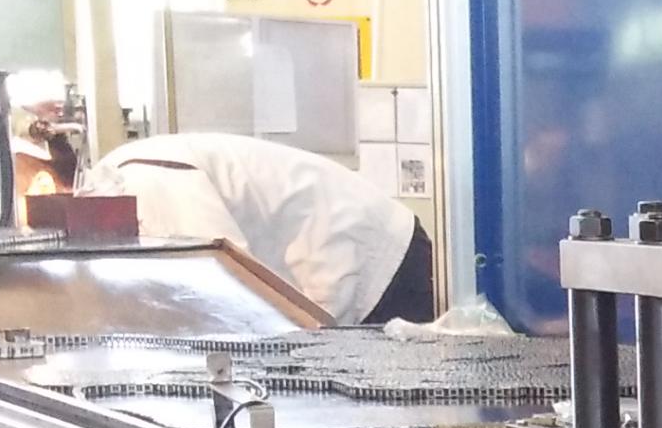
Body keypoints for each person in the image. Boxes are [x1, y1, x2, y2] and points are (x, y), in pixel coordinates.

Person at [86, 131, 437, 326]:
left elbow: (227, 279)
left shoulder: (142, 182)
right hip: (340, 266)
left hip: (377, 262)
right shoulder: (121, 181)